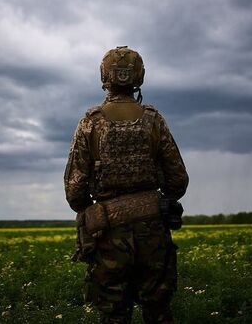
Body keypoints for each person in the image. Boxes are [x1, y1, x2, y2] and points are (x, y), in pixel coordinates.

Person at [64, 46, 189, 323]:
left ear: (104, 76)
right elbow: (178, 181)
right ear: (139, 77)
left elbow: (74, 191)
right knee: (158, 312)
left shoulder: (89, 123)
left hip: (108, 235)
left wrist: (97, 210)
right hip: (153, 233)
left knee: (114, 315)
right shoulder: (154, 120)